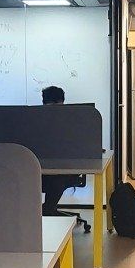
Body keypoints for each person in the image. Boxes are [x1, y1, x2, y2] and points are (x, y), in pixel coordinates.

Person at [38, 86, 87, 228]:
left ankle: (47, 210)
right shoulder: (36, 122)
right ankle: (46, 210)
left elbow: (83, 144)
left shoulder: (72, 121)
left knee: (56, 178)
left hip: (65, 171)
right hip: (41, 170)